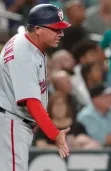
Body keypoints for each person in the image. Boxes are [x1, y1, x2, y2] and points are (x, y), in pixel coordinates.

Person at [0, 4, 71, 171]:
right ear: (38, 28)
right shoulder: (24, 55)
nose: (60, 33)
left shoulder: (27, 42)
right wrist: (55, 135)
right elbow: (32, 103)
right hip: (11, 122)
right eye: (55, 29)